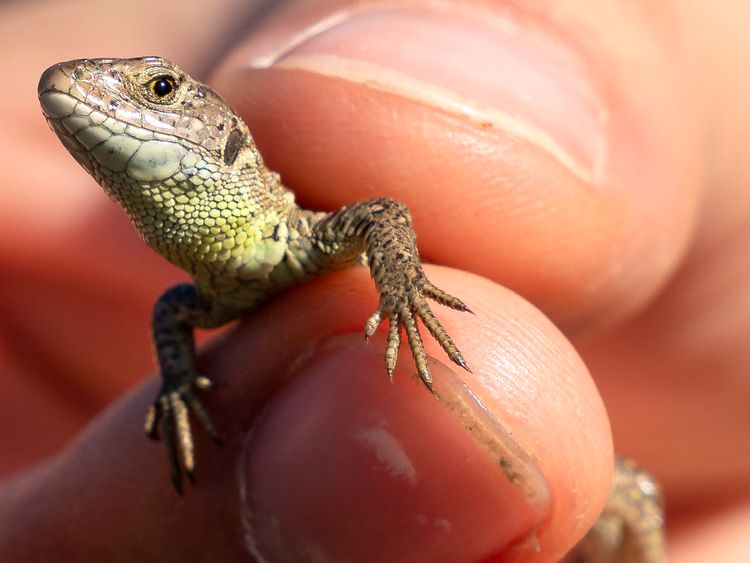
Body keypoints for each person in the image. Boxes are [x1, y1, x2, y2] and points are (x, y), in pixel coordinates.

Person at [1, 0, 748, 560]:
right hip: (478, 431)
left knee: (633, 505)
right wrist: (177, 387)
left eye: (158, 90)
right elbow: (175, 313)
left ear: (224, 135)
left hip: (559, 403)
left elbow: (381, 212)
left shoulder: (293, 235)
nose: (120, 96)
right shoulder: (207, 291)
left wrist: (401, 294)